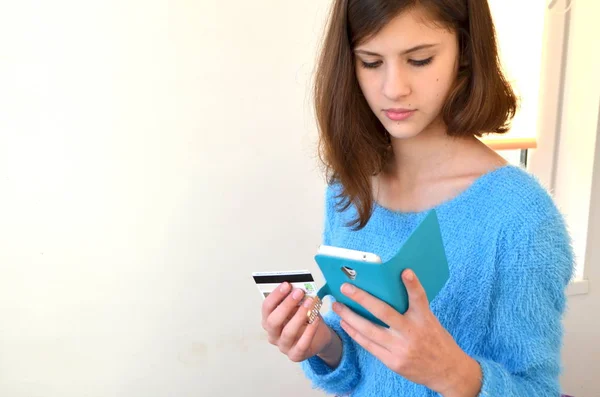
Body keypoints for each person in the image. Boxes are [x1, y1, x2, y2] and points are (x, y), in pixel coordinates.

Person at [260, 0, 574, 395]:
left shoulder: (521, 218)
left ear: (464, 52)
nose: (393, 88)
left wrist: (453, 373)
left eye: (420, 60)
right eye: (371, 62)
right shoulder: (348, 187)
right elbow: (361, 371)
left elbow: (540, 388)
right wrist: (320, 342)